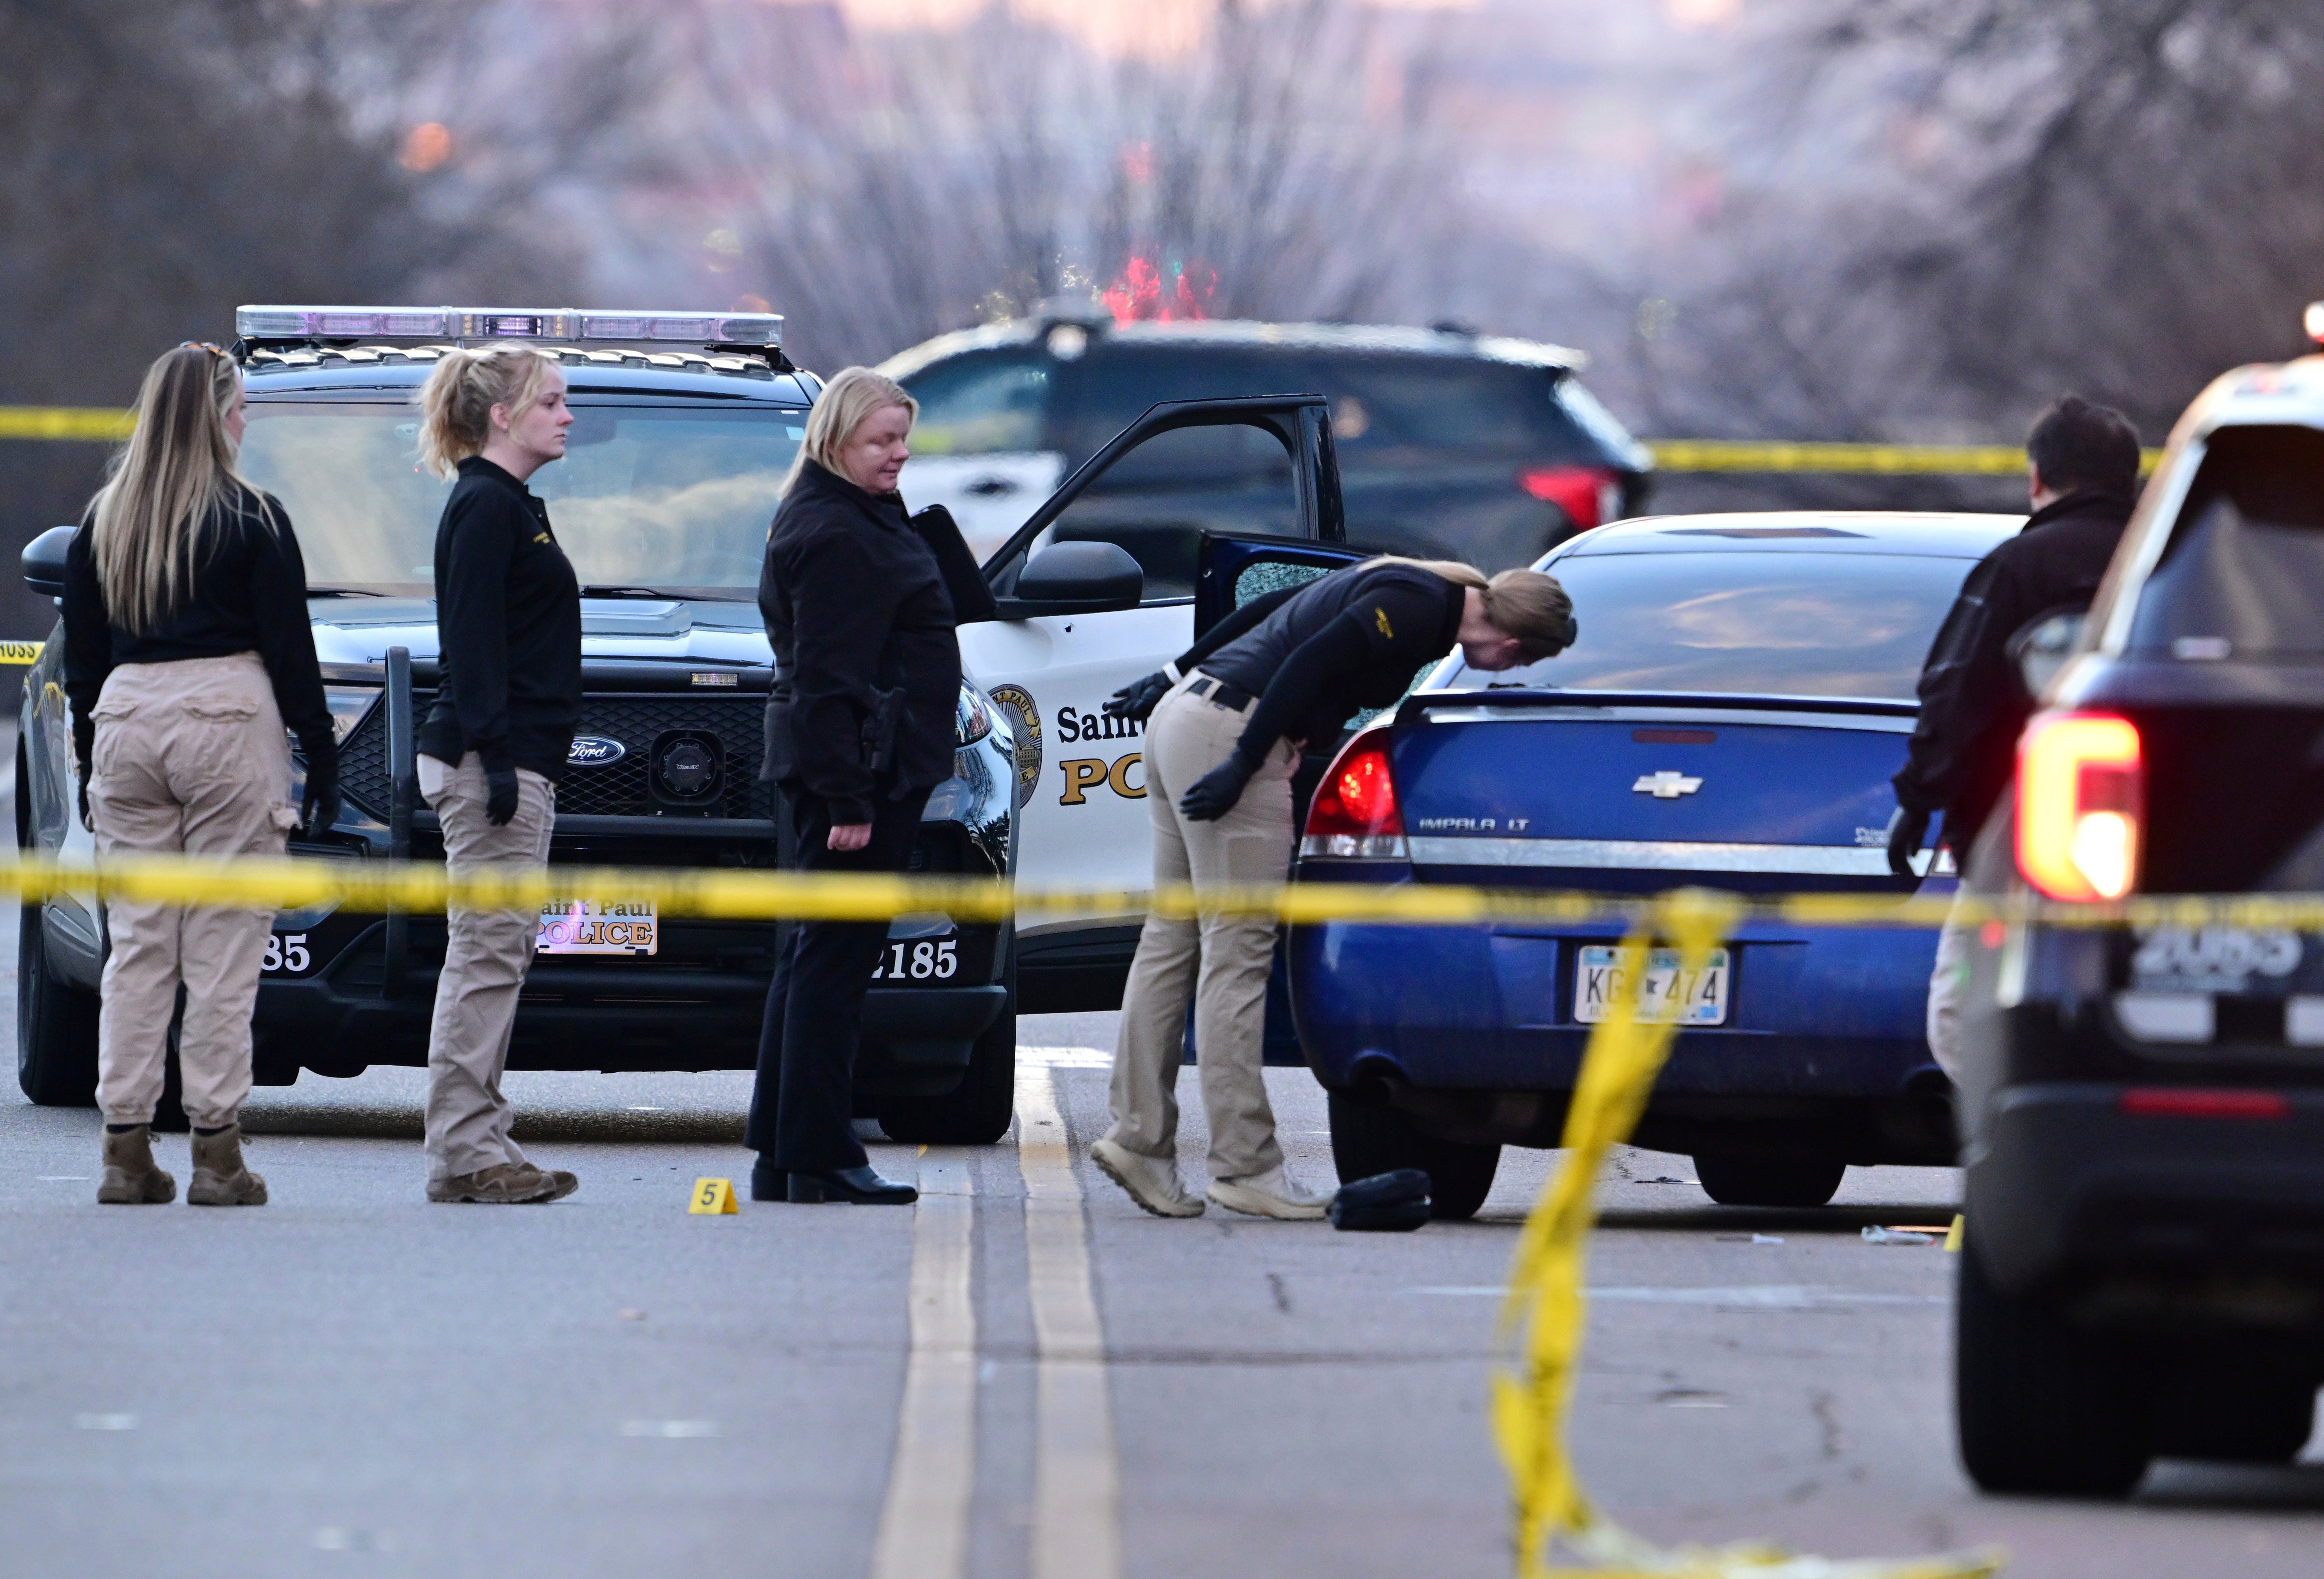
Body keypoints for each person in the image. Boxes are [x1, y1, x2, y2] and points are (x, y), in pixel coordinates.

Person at [1092, 556, 1579, 1219]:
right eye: (1518, 665)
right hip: (1231, 734)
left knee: (1171, 939)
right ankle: (1246, 1166)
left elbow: (1269, 610)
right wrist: (1243, 763)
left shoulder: (1410, 582)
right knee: (1239, 954)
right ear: (1514, 646)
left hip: (1190, 714)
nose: (1507, 672)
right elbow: (1310, 661)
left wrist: (1175, 672)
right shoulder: (1415, 613)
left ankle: (1138, 1137)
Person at [64, 342, 339, 1207]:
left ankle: (124, 1146)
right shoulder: (254, 516)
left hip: (128, 717)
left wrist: (87, 754)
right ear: (220, 416)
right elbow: (291, 650)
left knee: (140, 943)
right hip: (227, 713)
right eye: (244, 407)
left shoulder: (106, 518)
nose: (247, 420)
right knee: (223, 943)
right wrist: (318, 747)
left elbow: (86, 663)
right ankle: (217, 1150)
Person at [745, 368, 988, 1205]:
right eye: (883, 440)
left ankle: (785, 1150)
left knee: (813, 958)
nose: (900, 453)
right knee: (832, 967)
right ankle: (818, 1150)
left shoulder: (852, 514)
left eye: (903, 438)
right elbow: (825, 680)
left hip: (868, 768)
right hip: (859, 777)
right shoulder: (838, 533)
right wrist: (848, 800)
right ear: (837, 440)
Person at [1887, 394, 2143, 1079]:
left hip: (2020, 838)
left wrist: (1920, 799)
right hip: (2166, 842)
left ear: (2037, 477)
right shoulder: (2173, 567)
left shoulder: (2016, 567)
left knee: (1960, 1010)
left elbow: (1955, 694)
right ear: (2132, 478)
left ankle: (2016, 1145)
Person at [412, 345, 583, 1204]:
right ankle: (465, 1153)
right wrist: (497, 755)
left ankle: (481, 1139)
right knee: (485, 955)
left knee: (500, 955)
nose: (567, 413)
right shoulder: (485, 506)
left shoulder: (512, 506)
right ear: (503, 416)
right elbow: (471, 641)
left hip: (514, 759)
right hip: (493, 766)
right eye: (552, 400)